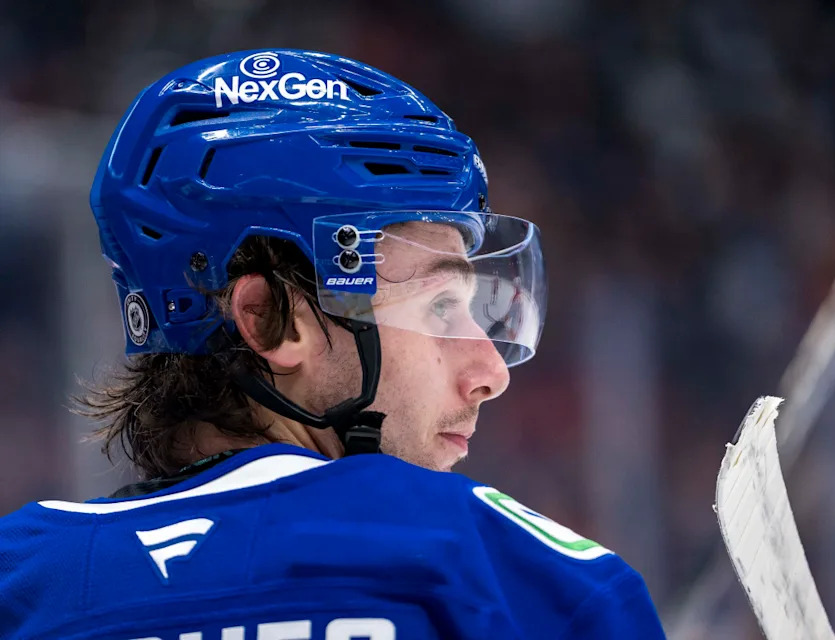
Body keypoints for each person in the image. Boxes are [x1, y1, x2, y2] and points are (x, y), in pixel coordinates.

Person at [0, 49, 666, 639]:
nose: (491, 370)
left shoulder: (21, 581)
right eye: (438, 306)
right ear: (269, 321)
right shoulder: (506, 572)